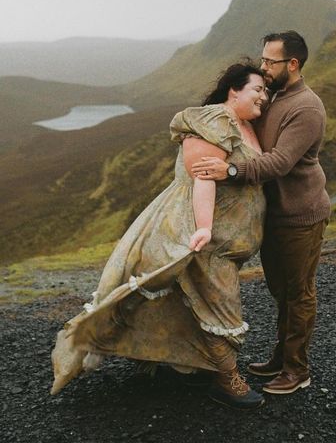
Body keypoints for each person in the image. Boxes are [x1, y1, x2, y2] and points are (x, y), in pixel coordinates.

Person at [50, 62, 268, 410]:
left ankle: (183, 363)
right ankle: (227, 380)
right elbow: (202, 178)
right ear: (234, 91)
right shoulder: (215, 121)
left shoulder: (245, 125)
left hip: (225, 240)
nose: (264, 96)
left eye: (266, 91)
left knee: (188, 300)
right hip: (196, 236)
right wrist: (204, 228)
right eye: (257, 89)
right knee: (220, 306)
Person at [192, 31, 331, 395]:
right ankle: (280, 358)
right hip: (275, 214)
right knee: (281, 291)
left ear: (294, 64)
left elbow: (281, 162)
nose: (264, 68)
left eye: (271, 62)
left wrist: (232, 172)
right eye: (264, 60)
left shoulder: (307, 108)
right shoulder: (273, 98)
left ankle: (297, 370)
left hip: (301, 215)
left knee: (299, 293)